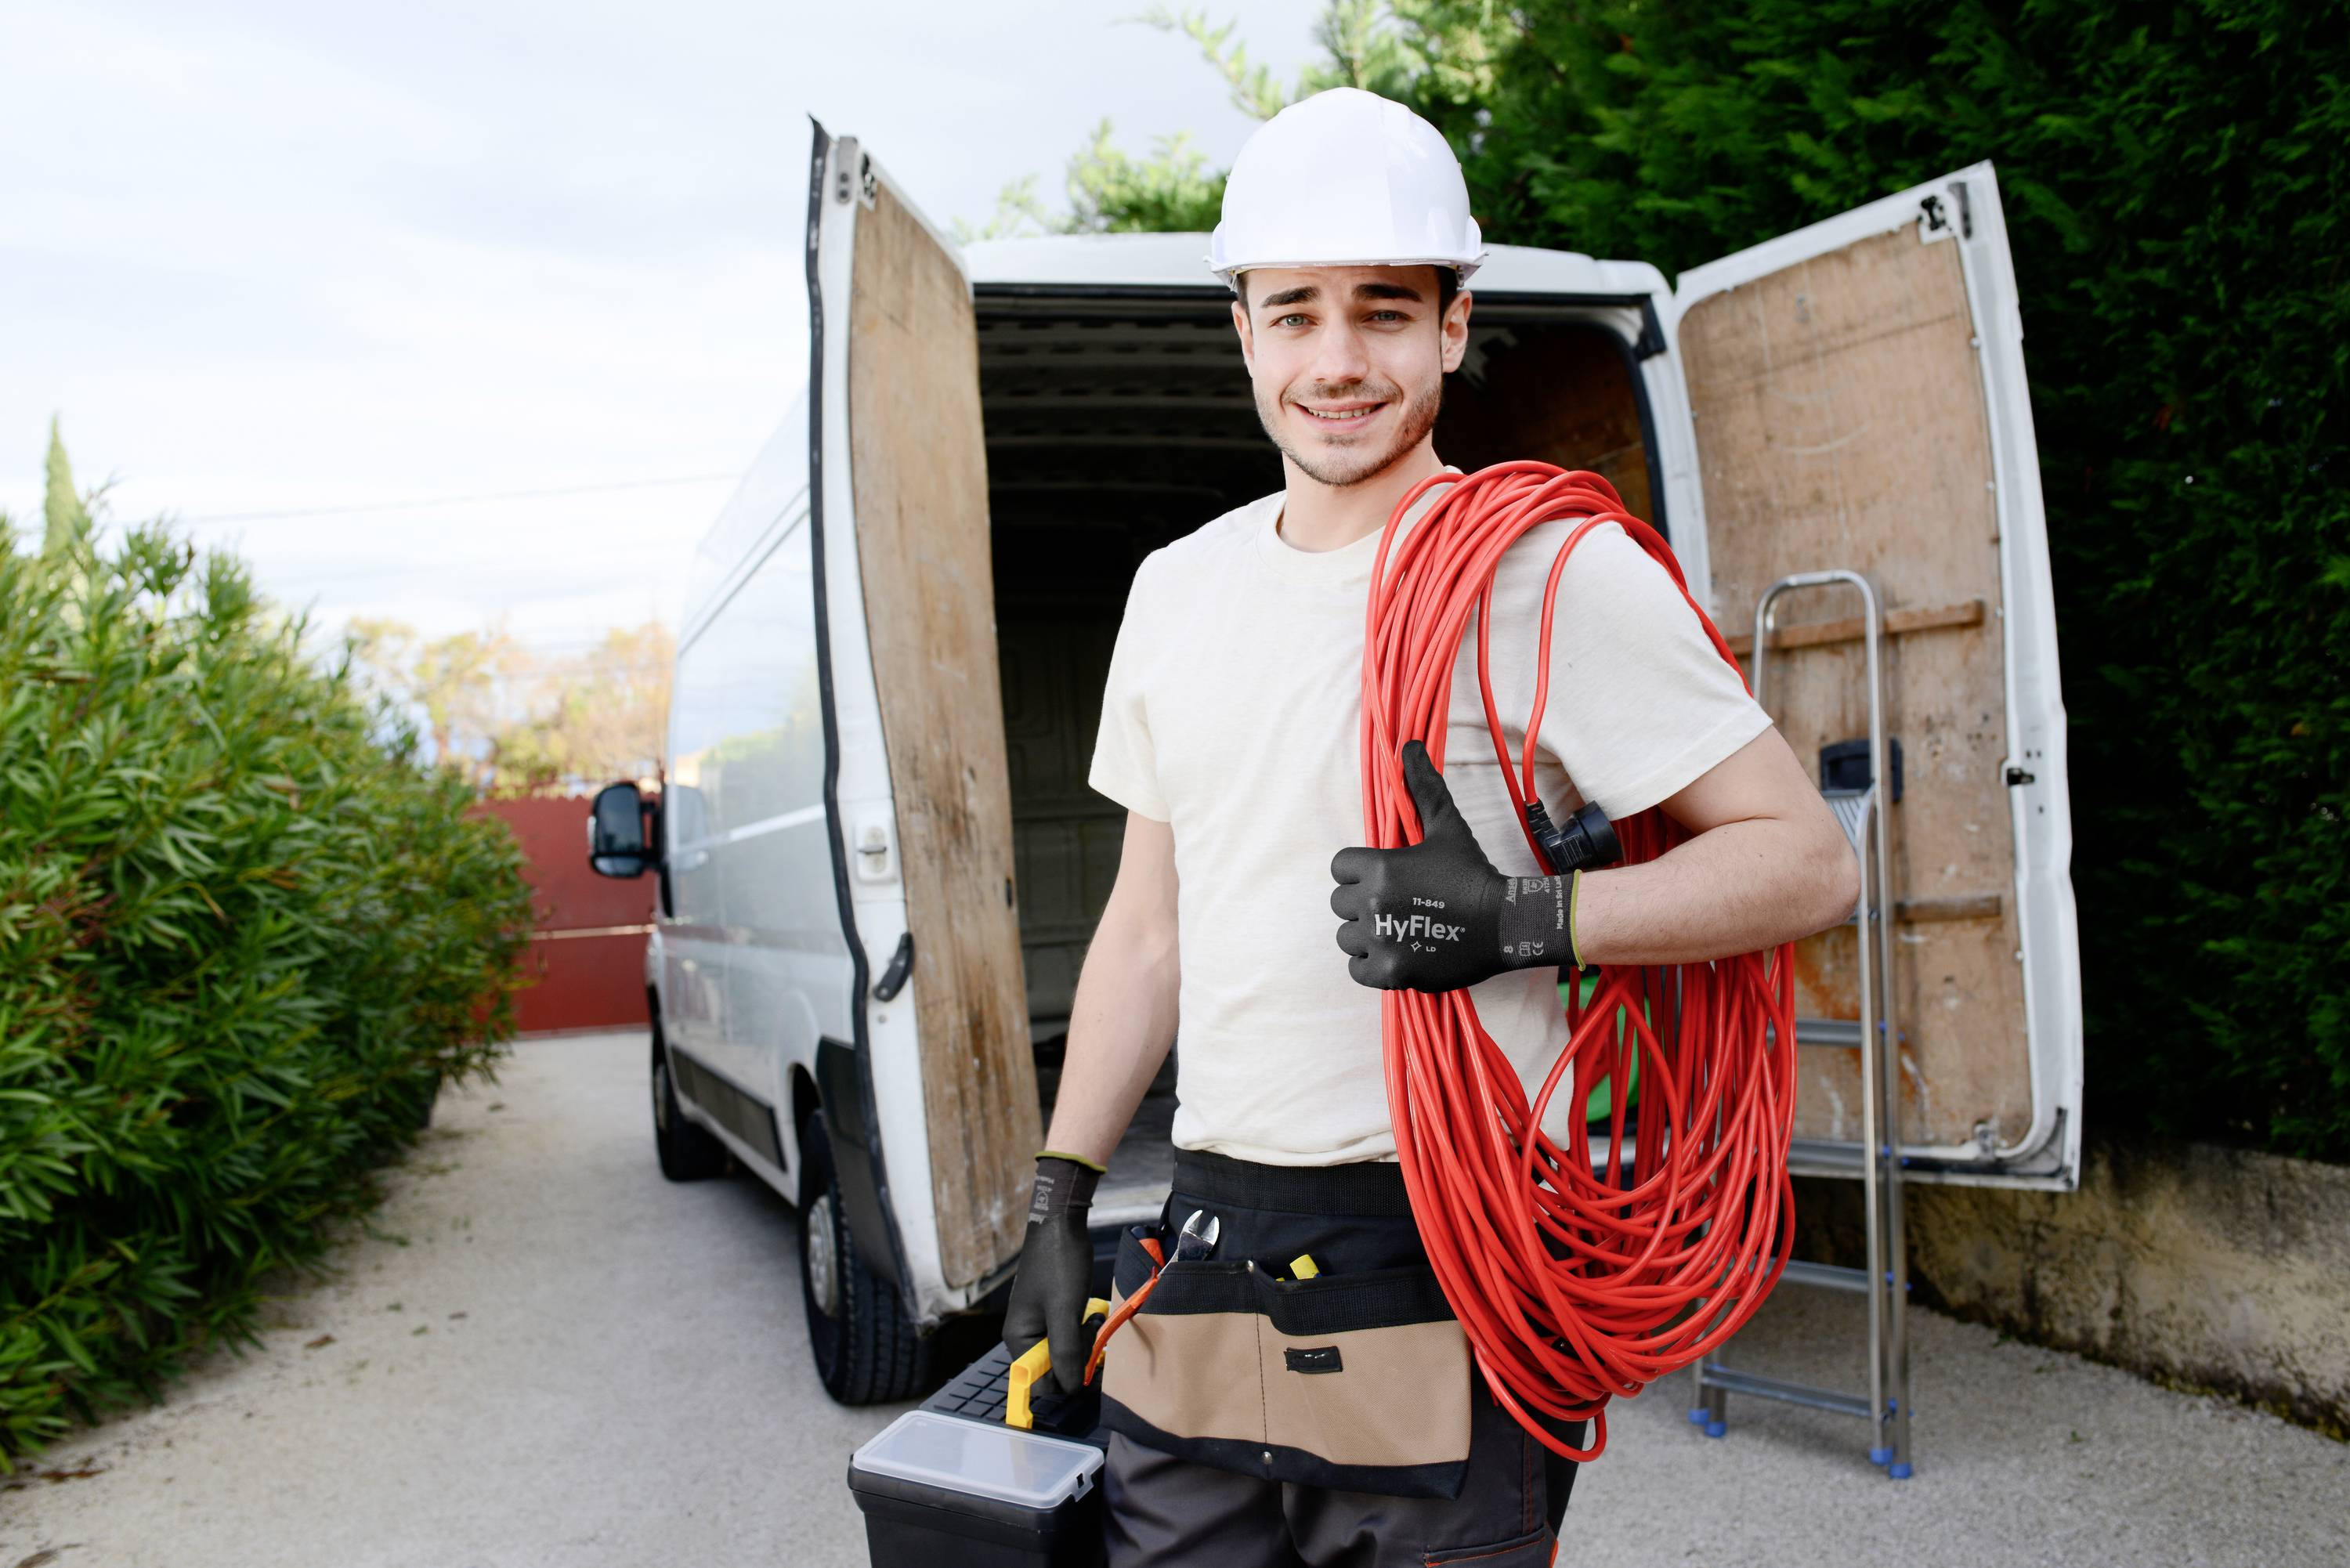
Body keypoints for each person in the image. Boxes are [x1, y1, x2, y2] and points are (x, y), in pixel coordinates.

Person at [1002, 87, 1859, 1568]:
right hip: (1203, 1243)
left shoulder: (1549, 574)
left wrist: (1526, 921)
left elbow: (1804, 858)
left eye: (1385, 311)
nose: (1338, 360)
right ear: (1245, 330)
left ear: (1455, 326)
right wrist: (1060, 1190)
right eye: (1297, 312)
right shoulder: (1175, 590)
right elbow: (1151, 925)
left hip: (1443, 1255)